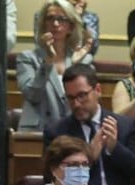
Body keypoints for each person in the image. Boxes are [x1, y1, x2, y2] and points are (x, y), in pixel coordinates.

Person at [43, 65, 135, 185]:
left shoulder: (124, 125)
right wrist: (88, 157)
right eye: (70, 98)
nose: (76, 104)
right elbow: (49, 178)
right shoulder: (56, 131)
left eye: (82, 96)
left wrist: (114, 148)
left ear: (97, 90)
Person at [16, 0, 94, 132]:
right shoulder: (27, 58)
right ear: (43, 24)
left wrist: (75, 65)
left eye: (61, 19)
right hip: (37, 132)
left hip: (72, 132)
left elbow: (89, 101)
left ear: (71, 27)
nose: (55, 24)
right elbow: (32, 95)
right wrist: (47, 62)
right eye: (50, 18)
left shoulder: (83, 60)